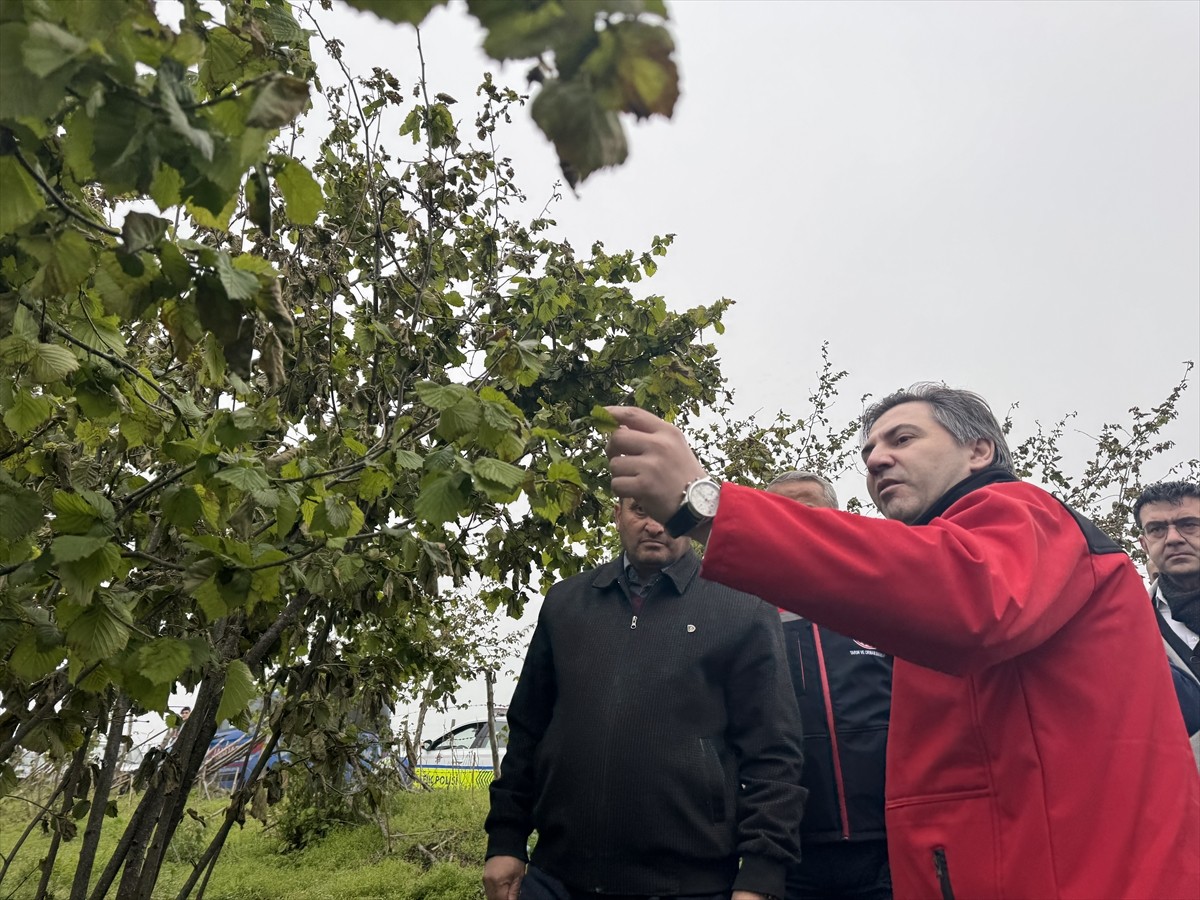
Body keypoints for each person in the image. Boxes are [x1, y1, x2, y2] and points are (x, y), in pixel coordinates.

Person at [605, 383, 1200, 900]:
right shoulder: (948, 557)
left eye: (903, 439)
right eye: (867, 451)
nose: (877, 459)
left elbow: (970, 597)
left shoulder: (1024, 514)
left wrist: (707, 506)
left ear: (979, 450)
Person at [483, 497, 805, 900]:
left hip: (690, 886)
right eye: (640, 510)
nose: (655, 526)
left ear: (693, 519)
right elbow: (528, 729)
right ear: (616, 513)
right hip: (557, 879)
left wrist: (760, 874)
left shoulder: (741, 606)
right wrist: (506, 839)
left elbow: (774, 753)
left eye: (669, 513)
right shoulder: (566, 602)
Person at [764, 472, 891, 900]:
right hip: (791, 850)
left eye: (810, 511)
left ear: (836, 518)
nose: (797, 522)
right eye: (782, 513)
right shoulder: (747, 610)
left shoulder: (879, 598)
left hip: (890, 846)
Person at [1134, 481, 1200, 763]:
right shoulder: (1129, 629)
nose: (1173, 538)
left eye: (1188, 524)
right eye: (1157, 529)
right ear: (1144, 543)